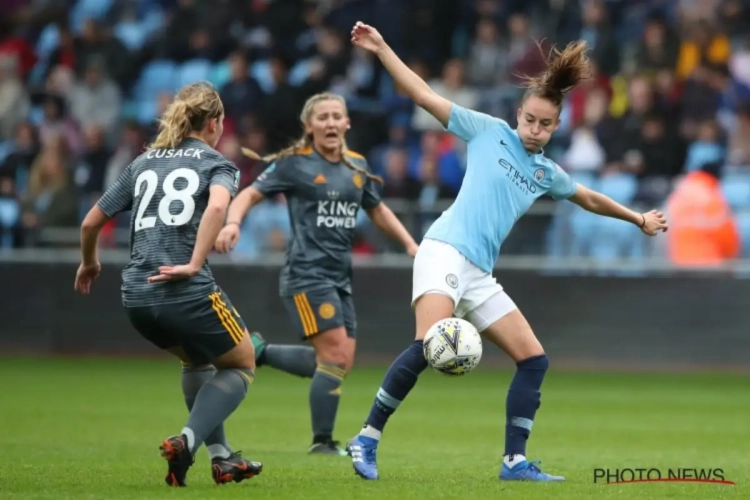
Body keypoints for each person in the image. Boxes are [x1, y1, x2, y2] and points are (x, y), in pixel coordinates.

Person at [347, 22, 668, 482]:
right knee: (428, 344)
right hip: (444, 250)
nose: (535, 130)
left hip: (478, 270)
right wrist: (381, 47)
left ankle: (514, 462)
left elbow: (589, 197)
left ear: (558, 125)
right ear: (518, 114)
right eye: (530, 120)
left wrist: (638, 219)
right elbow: (421, 94)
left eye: (545, 124)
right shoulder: (487, 131)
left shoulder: (547, 172)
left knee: (534, 359)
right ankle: (367, 438)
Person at [74, 82, 263, 487]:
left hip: (137, 296)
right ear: (214, 123)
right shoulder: (217, 163)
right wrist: (195, 262)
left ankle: (223, 458)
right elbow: (217, 205)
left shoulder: (143, 163)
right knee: (243, 363)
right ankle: (188, 441)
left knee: (197, 361)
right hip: (185, 292)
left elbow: (91, 221)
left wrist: (90, 262)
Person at [215, 91, 419, 455]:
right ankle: (321, 442)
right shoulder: (295, 164)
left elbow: (377, 209)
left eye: (335, 116)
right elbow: (248, 195)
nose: (329, 122)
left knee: (338, 360)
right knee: (335, 356)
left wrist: (409, 244)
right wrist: (232, 224)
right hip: (306, 274)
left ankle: (258, 350)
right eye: (322, 117)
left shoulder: (356, 165)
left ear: (346, 122)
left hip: (340, 276)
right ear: (309, 126)